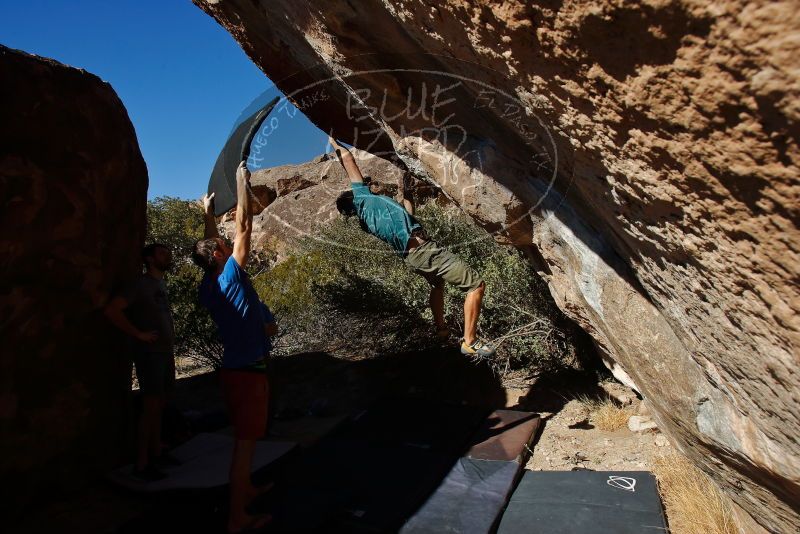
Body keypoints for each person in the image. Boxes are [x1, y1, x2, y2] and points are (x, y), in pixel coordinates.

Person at [328, 137, 496, 357]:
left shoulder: (368, 219)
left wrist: (406, 191)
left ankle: (441, 330)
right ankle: (469, 342)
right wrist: (333, 140)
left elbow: (407, 215)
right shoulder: (362, 198)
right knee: (475, 285)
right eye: (364, 185)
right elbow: (349, 160)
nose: (369, 184)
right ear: (354, 197)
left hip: (414, 256)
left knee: (437, 286)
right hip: (425, 251)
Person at [191, 161, 276, 534]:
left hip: (233, 371)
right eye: (224, 246)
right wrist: (242, 183)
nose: (229, 242)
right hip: (247, 373)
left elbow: (212, 247)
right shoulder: (230, 273)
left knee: (247, 439)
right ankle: (236, 519)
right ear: (222, 256)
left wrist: (208, 215)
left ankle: (248, 491)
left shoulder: (209, 285)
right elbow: (243, 226)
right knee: (244, 445)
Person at [105, 243, 178, 481]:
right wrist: (138, 334)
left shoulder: (159, 285)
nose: (167, 255)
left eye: (167, 252)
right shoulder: (139, 284)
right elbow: (112, 310)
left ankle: (156, 451)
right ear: (148, 259)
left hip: (164, 352)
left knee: (160, 403)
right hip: (150, 354)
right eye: (161, 252)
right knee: (150, 406)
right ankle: (142, 463)